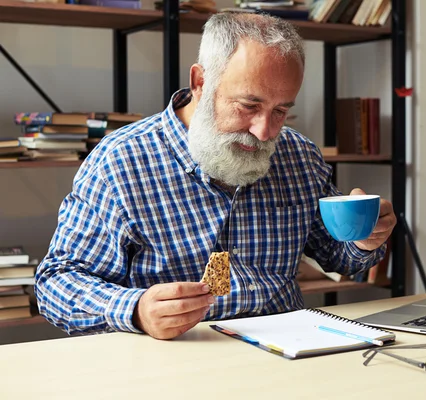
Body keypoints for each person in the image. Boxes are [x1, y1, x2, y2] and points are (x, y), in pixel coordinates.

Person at [35, 12, 397, 340]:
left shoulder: (299, 156)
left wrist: (365, 240)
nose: (264, 131)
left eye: (281, 110)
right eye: (249, 106)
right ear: (200, 82)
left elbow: (339, 258)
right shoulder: (120, 161)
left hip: (289, 351)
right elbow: (56, 284)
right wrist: (136, 309)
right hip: (174, 359)